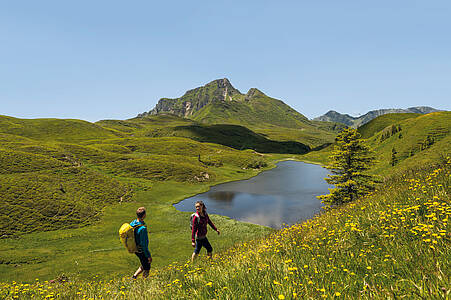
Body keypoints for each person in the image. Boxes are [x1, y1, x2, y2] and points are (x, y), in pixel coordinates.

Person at [130, 207, 152, 279]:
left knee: (144, 263)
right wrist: (148, 256)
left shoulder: (133, 223)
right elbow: (144, 245)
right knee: (147, 267)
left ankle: (134, 277)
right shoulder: (143, 229)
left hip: (135, 248)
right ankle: (143, 283)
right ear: (144, 215)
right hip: (141, 250)